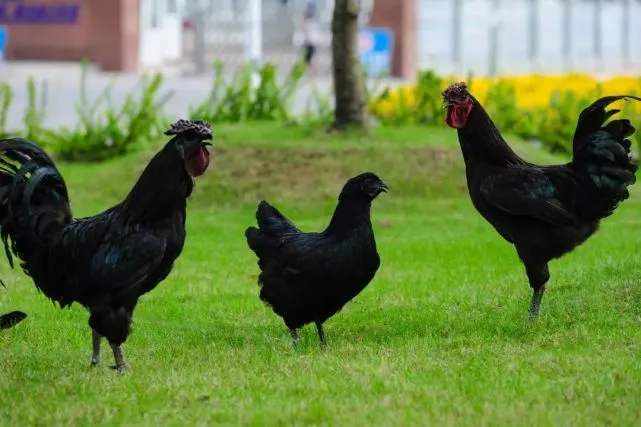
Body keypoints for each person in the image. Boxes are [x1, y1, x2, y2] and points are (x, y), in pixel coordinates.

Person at [301, 2, 319, 75]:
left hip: (311, 43)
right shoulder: (311, 22)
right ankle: (311, 72)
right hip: (310, 43)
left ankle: (313, 72)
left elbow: (304, 28)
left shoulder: (309, 23)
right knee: (307, 60)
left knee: (308, 60)